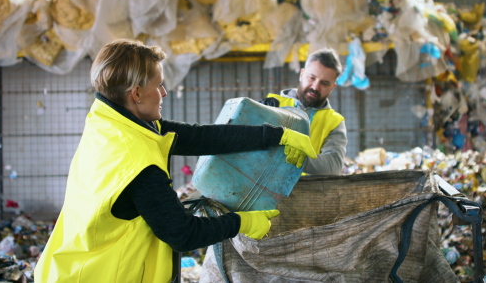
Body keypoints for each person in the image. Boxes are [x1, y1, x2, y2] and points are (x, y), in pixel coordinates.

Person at [33, 39, 317, 283]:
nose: (165, 93)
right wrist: (242, 222)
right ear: (136, 93)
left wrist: (277, 135)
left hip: (69, 263)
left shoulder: (110, 122)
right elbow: (182, 234)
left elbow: (200, 138)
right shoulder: (137, 162)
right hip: (101, 274)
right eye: (159, 85)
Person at [261, 48, 347, 175]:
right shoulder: (271, 104)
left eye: (324, 83)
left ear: (332, 87)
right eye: (312, 78)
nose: (315, 87)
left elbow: (334, 165)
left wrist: (300, 159)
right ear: (302, 74)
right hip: (259, 189)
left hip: (307, 192)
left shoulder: (334, 122)